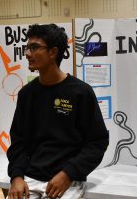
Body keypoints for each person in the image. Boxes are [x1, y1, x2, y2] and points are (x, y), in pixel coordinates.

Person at [7, 24, 109, 199]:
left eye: (34, 47)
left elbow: (97, 143)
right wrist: (16, 176)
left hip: (67, 182)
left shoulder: (80, 92)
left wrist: (68, 174)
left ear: (53, 52)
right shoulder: (27, 94)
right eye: (27, 47)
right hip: (30, 178)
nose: (27, 54)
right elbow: (18, 142)